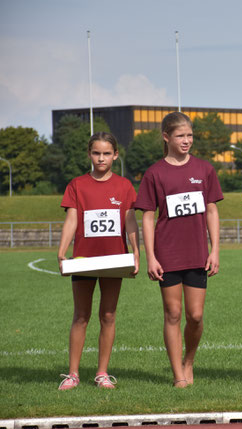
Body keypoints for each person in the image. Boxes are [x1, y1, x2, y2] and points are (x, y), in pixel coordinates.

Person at [135, 112, 223, 388]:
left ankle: (189, 360)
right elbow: (148, 216)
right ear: (166, 137)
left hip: (197, 253)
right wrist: (151, 256)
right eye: (180, 136)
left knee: (195, 316)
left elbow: (212, 210)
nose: (186, 141)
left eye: (190, 136)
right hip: (167, 255)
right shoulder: (154, 173)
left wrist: (215, 249)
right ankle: (178, 375)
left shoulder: (204, 169)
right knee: (172, 314)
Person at [57, 132, 139, 390]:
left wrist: (137, 252)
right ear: (89, 154)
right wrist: (61, 252)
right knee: (81, 315)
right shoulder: (77, 185)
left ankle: (102, 373)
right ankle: (73, 374)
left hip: (115, 259)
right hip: (83, 259)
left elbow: (130, 221)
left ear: (115, 155)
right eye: (96, 153)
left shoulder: (124, 186)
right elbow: (71, 219)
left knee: (108, 314)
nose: (101, 158)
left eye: (106, 153)